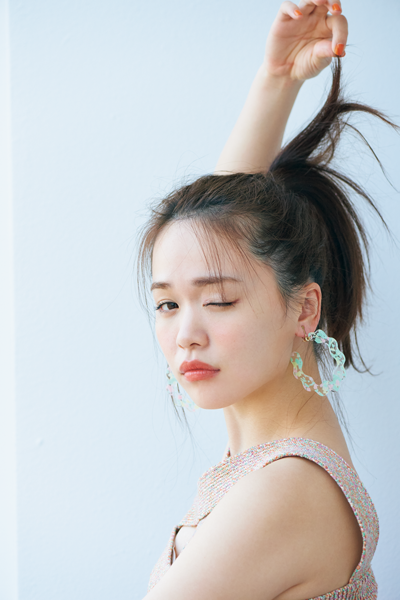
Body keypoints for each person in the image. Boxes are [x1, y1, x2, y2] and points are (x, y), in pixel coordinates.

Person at [138, 1, 395, 598]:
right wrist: (277, 80)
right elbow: (226, 243)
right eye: (167, 305)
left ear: (304, 310)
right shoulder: (265, 454)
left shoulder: (289, 489)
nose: (186, 334)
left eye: (218, 303)